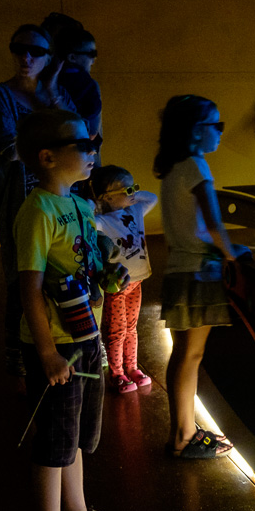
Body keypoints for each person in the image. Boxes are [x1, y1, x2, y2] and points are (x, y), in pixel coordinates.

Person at [14, 108, 133, 511]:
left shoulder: (82, 206)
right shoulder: (38, 211)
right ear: (47, 157)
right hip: (57, 346)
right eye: (84, 146)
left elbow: (88, 267)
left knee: (76, 438)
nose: (93, 153)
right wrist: (45, 351)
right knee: (54, 442)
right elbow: (29, 285)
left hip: (84, 338)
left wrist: (111, 276)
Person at [156, 95, 247, 458]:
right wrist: (233, 253)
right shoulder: (196, 166)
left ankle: (184, 429)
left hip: (178, 270)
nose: (220, 133)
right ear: (196, 132)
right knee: (192, 356)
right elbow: (212, 226)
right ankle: (183, 436)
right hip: (198, 272)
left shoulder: (174, 166)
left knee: (182, 355)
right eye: (216, 125)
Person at [0, 24, 75, 380]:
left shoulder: (57, 93)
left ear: (49, 58)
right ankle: (19, 357)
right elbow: (9, 148)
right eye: (19, 48)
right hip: (19, 201)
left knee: (65, 268)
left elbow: (79, 139)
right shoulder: (0, 96)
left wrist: (51, 93)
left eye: (36, 52)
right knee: (22, 276)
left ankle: (66, 342)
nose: (26, 58)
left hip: (61, 199)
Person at [89, 165, 157, 394]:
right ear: (106, 196)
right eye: (127, 189)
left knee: (132, 328)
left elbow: (152, 197)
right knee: (117, 330)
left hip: (137, 281)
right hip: (117, 284)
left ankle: (133, 367)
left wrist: (131, 193)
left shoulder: (136, 211)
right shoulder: (103, 221)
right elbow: (88, 217)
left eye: (133, 188)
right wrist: (96, 203)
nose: (133, 193)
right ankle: (117, 373)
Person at [52, 26, 103, 143]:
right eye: (91, 54)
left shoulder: (46, 81)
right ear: (72, 57)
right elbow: (92, 132)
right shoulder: (88, 84)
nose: (94, 60)